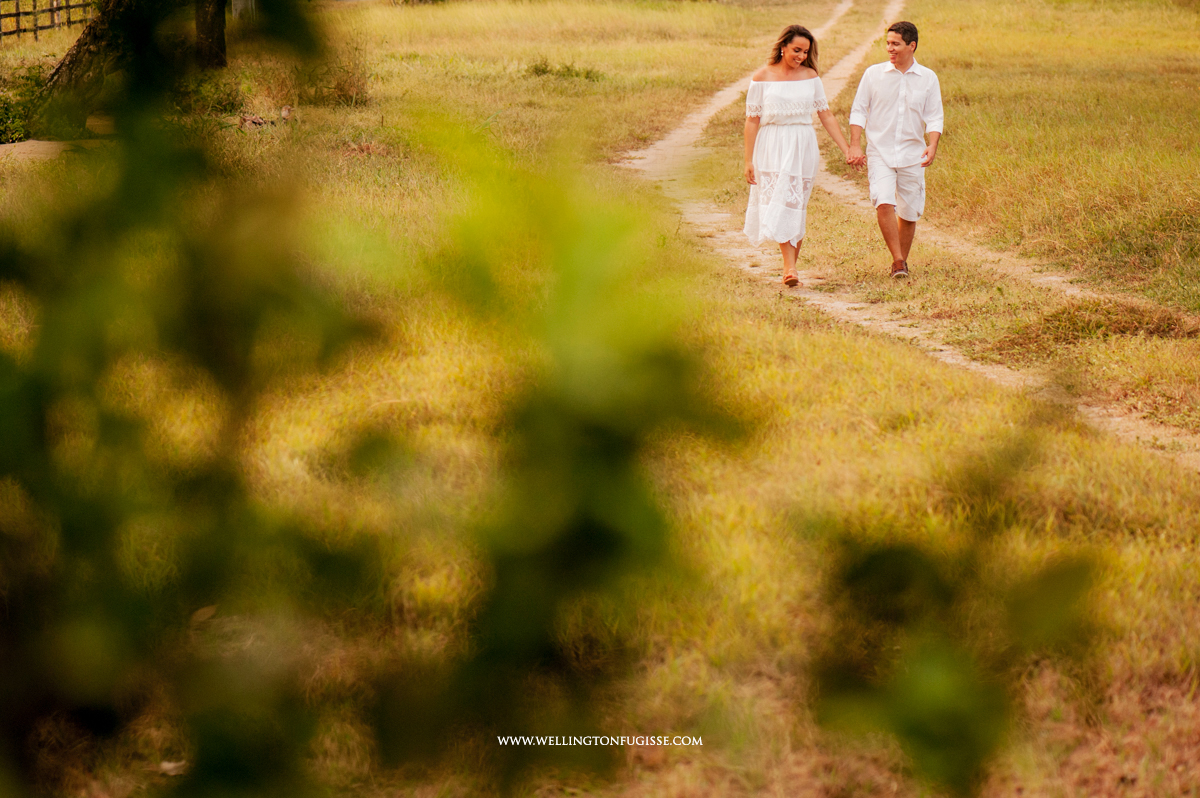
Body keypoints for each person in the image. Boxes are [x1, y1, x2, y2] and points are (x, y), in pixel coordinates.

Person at [744, 25, 858, 287]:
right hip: (771, 144)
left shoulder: (810, 76)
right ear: (783, 46)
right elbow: (752, 120)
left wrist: (846, 149)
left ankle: (790, 266)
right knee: (780, 201)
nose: (801, 56)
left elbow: (825, 114)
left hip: (803, 143)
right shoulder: (762, 77)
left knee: (795, 204)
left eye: (805, 52)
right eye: (796, 50)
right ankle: (790, 267)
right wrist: (748, 160)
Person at [847, 21, 944, 279]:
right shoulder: (873, 74)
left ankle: (902, 262)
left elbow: (934, 117)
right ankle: (898, 261)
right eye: (888, 43)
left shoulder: (928, 78)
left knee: (909, 212)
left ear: (911, 46)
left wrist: (932, 144)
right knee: (884, 202)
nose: (890, 48)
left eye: (895, 44)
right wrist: (855, 144)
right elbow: (859, 110)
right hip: (880, 151)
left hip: (913, 153)